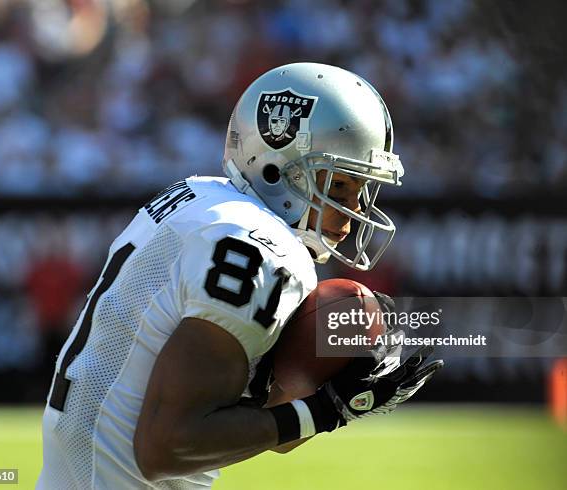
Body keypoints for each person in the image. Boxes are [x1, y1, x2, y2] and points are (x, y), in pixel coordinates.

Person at [36, 62, 442, 489]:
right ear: (278, 169)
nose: (355, 211)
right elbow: (167, 447)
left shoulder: (202, 197)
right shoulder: (260, 249)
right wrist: (326, 411)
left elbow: (243, 415)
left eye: (361, 191)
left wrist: (328, 394)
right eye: (339, 186)